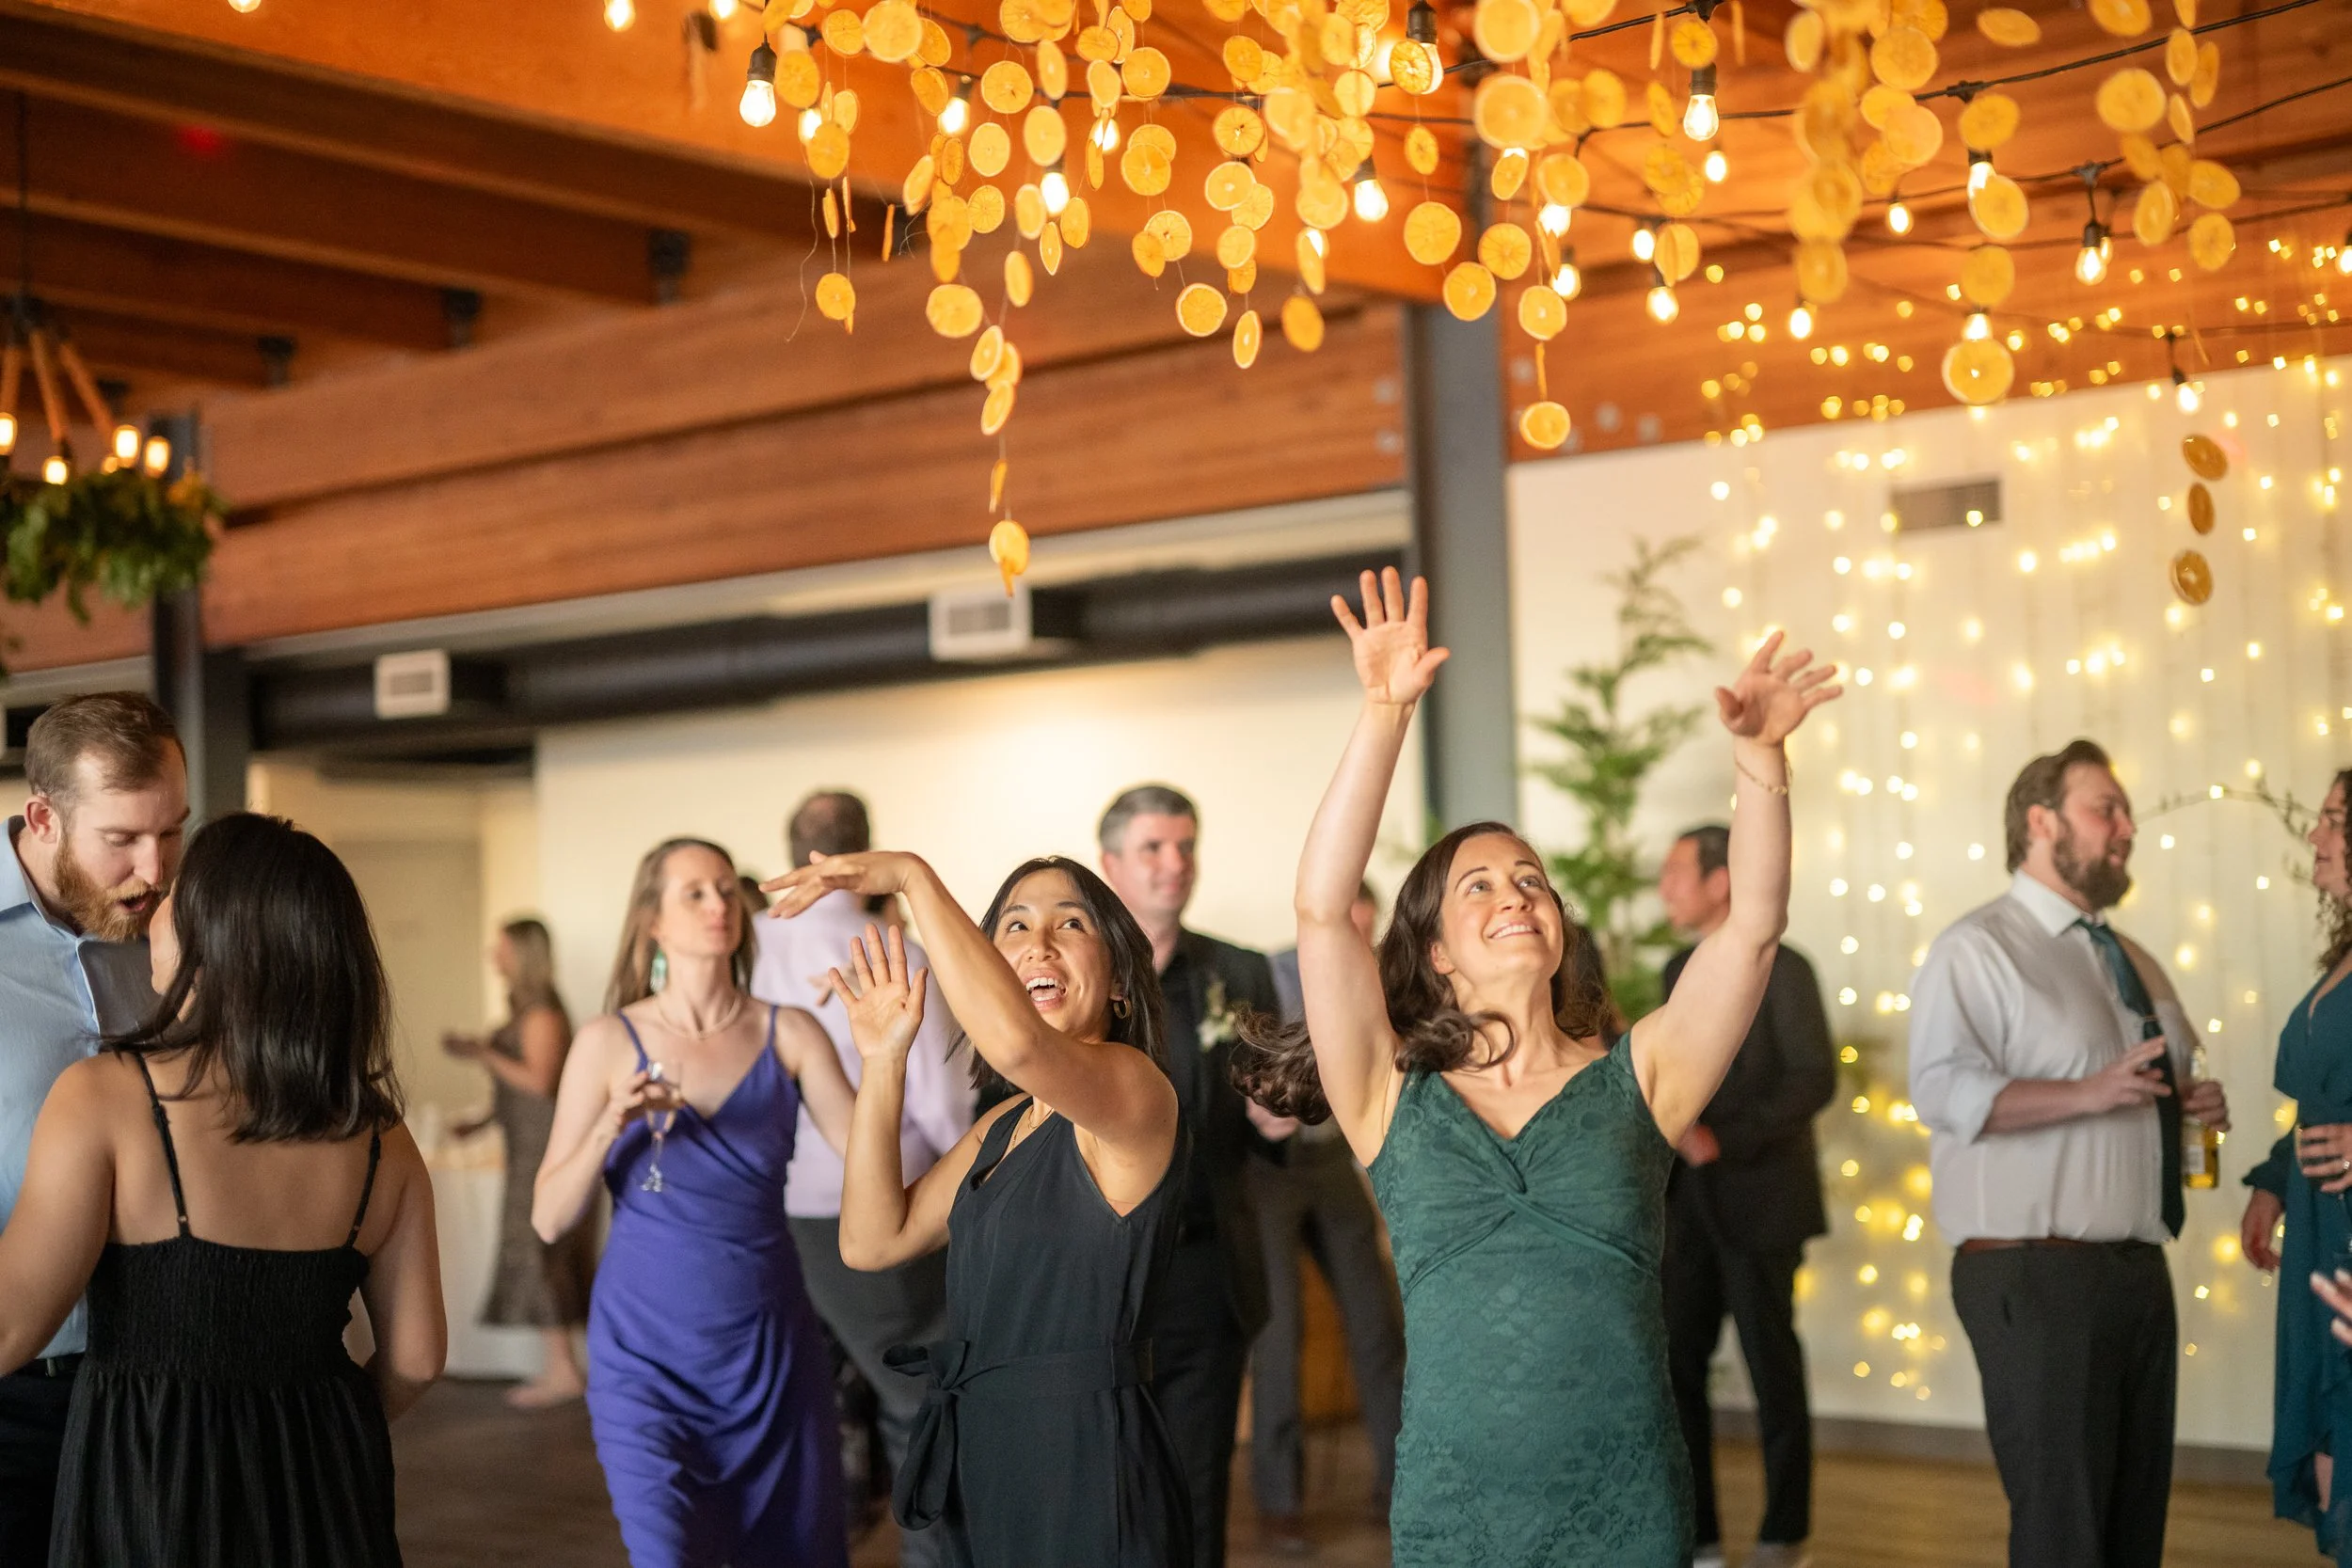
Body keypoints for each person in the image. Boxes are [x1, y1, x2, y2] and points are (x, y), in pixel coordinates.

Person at [1234, 567, 1838, 1567]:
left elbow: (1753, 931)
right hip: (1455, 1507)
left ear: (1558, 927)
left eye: (1530, 881)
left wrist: (1760, 757)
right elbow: (1321, 909)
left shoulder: (1644, 1076)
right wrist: (1383, 713)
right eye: (1477, 885)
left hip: (1624, 1501)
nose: (1515, 894)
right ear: (1436, 950)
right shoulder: (1386, 1096)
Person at [0, 811, 446, 1565]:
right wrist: (310, 1433)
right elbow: (419, 1357)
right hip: (327, 1488)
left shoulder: (107, 1097)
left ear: (215, 937)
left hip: (151, 1485)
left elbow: (12, 1323)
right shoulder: (382, 1137)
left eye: (175, 897)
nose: (154, 911)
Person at [764, 850, 1191, 1568]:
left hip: (1089, 1456)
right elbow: (872, 1240)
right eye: (1016, 926)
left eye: (1071, 923)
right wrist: (884, 1061)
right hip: (989, 1449)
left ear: (1119, 982)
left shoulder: (1136, 1089)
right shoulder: (1002, 1125)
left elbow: (1018, 1044)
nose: (1039, 943)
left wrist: (912, 876)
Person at [1909, 738, 2232, 1568]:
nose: (2127, 827)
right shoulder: (1977, 948)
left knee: (2132, 1530)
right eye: (2106, 809)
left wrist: (2189, 1103)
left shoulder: (2134, 958)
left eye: (2125, 812)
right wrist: (2087, 1092)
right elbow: (1942, 1090)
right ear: (2042, 822)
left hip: (2137, 1271)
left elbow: (2155, 1083)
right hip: (2035, 1274)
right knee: (2066, 1534)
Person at [534, 837, 858, 1568]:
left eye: (725, 888)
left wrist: (885, 1051)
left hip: (768, 1352)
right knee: (666, 1552)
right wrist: (609, 1123)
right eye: (696, 892)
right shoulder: (606, 1040)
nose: (719, 904)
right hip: (646, 1358)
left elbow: (871, 1161)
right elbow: (549, 1216)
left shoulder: (790, 1031)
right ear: (653, 920)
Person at [752, 791, 973, 1568]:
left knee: (799, 1403)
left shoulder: (744, 947)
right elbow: (945, 1103)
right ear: (861, 851)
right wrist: (965, 1189)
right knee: (917, 1399)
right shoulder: (891, 949)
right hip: (884, 1201)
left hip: (769, 1207)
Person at [0, 693, 186, 1561]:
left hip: (164, 1389)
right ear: (44, 817)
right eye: (123, 838)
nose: (155, 867)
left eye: (173, 830)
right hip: (16, 1390)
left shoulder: (180, 938)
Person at [1097, 784, 1277, 1568]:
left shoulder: (1237, 970)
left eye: (1186, 845)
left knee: (1198, 1487)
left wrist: (1279, 1119)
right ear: (1111, 864)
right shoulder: (1074, 971)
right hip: (1101, 1271)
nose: (1175, 863)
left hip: (1207, 1267)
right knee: (1108, 1487)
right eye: (1154, 847)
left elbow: (1265, 1118)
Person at [1655, 824, 1838, 1568]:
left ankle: (1783, 1533)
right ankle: (1697, 1537)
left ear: (1720, 879)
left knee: (1772, 1371)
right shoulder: (1675, 968)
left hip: (1763, 1202)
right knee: (1677, 1371)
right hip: (1686, 1208)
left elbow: (1814, 1078)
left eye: (1676, 872)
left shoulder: (1787, 968)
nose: (1664, 887)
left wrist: (1722, 1138)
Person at [1248, 881, 1406, 1552]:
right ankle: (1279, 1501)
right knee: (1279, 1336)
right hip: (1269, 1170)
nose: (1358, 945)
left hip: (1336, 1159)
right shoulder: (1265, 974)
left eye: (1367, 933)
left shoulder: (1386, 981)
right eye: (1348, 929)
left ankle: (1401, 1484)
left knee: (1378, 1325)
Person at [2241, 767, 2352, 1561]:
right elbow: (2323, 1102)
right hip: (2319, 1231)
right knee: (2328, 1456)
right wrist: (2275, 1182)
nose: (2315, 834)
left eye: (2335, 820)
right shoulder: (2342, 956)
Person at [444, 918, 596, 1408]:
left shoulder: (542, 1013)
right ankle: (562, 1366)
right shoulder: (526, 1010)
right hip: (525, 1147)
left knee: (541, 1252)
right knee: (537, 1252)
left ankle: (565, 1371)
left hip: (543, 1150)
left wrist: (482, 1052)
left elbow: (539, 1082)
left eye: (502, 947)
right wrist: (481, 1122)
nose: (494, 955)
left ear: (523, 954)